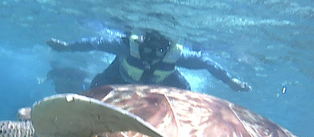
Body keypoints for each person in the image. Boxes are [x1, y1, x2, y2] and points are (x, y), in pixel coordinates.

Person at [46, 29, 251, 92]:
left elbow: (207, 63)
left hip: (161, 81)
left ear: (168, 48)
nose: (151, 56)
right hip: (121, 75)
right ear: (140, 43)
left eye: (158, 50)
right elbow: (94, 42)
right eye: (148, 49)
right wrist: (67, 47)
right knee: (97, 86)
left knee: (187, 93)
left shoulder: (176, 56)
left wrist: (230, 80)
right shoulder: (125, 46)